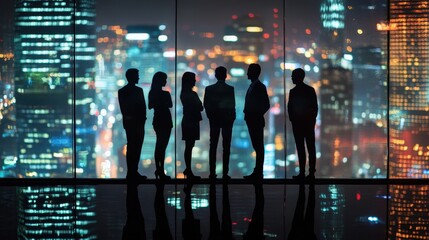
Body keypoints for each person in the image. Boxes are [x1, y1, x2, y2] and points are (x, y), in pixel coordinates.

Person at [203, 66, 236, 180]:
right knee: (226, 147)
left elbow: (206, 105)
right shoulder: (230, 89)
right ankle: (225, 174)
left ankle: (212, 173)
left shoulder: (209, 89)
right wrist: (231, 119)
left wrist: (211, 117)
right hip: (227, 121)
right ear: (225, 75)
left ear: (216, 75)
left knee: (213, 146)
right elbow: (232, 106)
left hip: (214, 121)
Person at [288, 68, 318, 181]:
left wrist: (293, 120)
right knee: (310, 148)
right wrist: (311, 120)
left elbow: (290, 108)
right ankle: (310, 173)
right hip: (307, 124)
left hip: (299, 124)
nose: (291, 78)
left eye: (293, 76)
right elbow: (314, 108)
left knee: (302, 148)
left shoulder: (293, 92)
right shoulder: (310, 90)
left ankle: (303, 173)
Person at [118, 68, 147, 182]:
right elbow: (142, 107)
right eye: (137, 75)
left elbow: (124, 109)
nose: (138, 77)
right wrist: (141, 119)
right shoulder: (138, 91)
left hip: (131, 122)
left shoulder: (122, 91)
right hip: (137, 123)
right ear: (132, 77)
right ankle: (133, 172)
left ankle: (132, 172)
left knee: (132, 147)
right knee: (136, 147)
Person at [243, 63, 270, 181]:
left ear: (254, 72)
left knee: (258, 147)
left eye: (249, 70)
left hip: (256, 121)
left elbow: (266, 105)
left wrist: (255, 114)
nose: (247, 73)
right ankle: (257, 171)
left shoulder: (259, 86)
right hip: (253, 120)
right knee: (257, 147)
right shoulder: (253, 86)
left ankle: (258, 172)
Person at [149, 72, 172, 180]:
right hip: (166, 120)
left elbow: (150, 106)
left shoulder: (152, 93)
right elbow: (170, 104)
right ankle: (160, 170)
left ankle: (159, 169)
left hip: (158, 119)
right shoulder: (166, 94)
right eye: (164, 79)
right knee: (162, 146)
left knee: (159, 145)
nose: (166, 81)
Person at [180, 72, 203, 180]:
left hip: (188, 120)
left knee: (188, 146)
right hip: (192, 121)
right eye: (193, 79)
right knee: (189, 146)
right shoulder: (192, 94)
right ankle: (188, 170)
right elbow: (200, 107)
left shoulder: (183, 93)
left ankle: (188, 169)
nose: (195, 81)